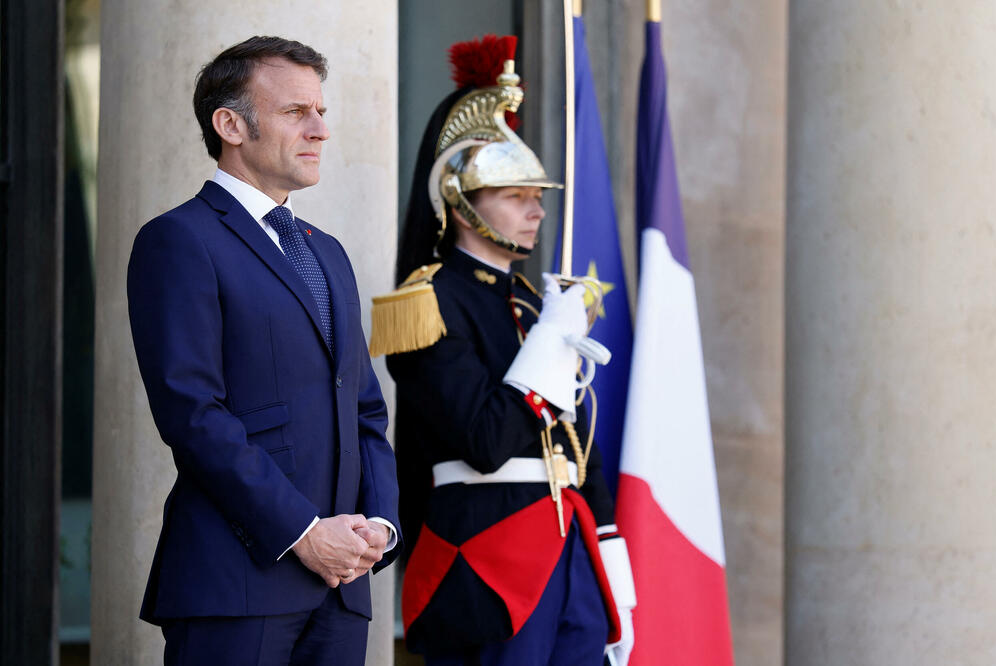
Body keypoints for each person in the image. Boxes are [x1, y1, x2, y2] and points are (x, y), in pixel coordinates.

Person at [127, 36, 400, 665]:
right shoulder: (178, 240)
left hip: (342, 588)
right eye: (295, 111)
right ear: (230, 126)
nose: (320, 129)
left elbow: (363, 409)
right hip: (236, 583)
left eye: (321, 111)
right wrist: (303, 533)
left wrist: (379, 527)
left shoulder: (326, 250)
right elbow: (193, 415)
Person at [371, 35, 635, 666]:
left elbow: (577, 444)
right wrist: (548, 349)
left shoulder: (534, 303)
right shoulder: (429, 301)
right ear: (462, 204)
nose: (536, 211)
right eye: (516, 196)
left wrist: (608, 545)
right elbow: (484, 441)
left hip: (569, 548)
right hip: (486, 558)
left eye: (537, 197)